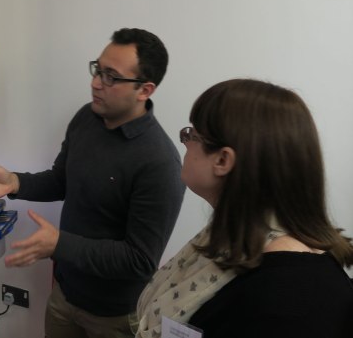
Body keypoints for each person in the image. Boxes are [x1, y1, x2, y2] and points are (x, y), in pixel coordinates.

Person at [0, 28, 186, 338]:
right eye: (97, 69)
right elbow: (61, 180)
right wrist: (15, 182)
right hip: (65, 296)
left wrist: (59, 244)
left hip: (116, 316)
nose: (96, 83)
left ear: (144, 90)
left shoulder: (160, 162)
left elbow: (140, 260)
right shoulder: (86, 118)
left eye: (111, 76)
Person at [136, 79, 353, 338]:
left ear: (222, 160)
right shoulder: (233, 239)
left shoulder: (290, 296)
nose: (185, 142)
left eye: (192, 135)